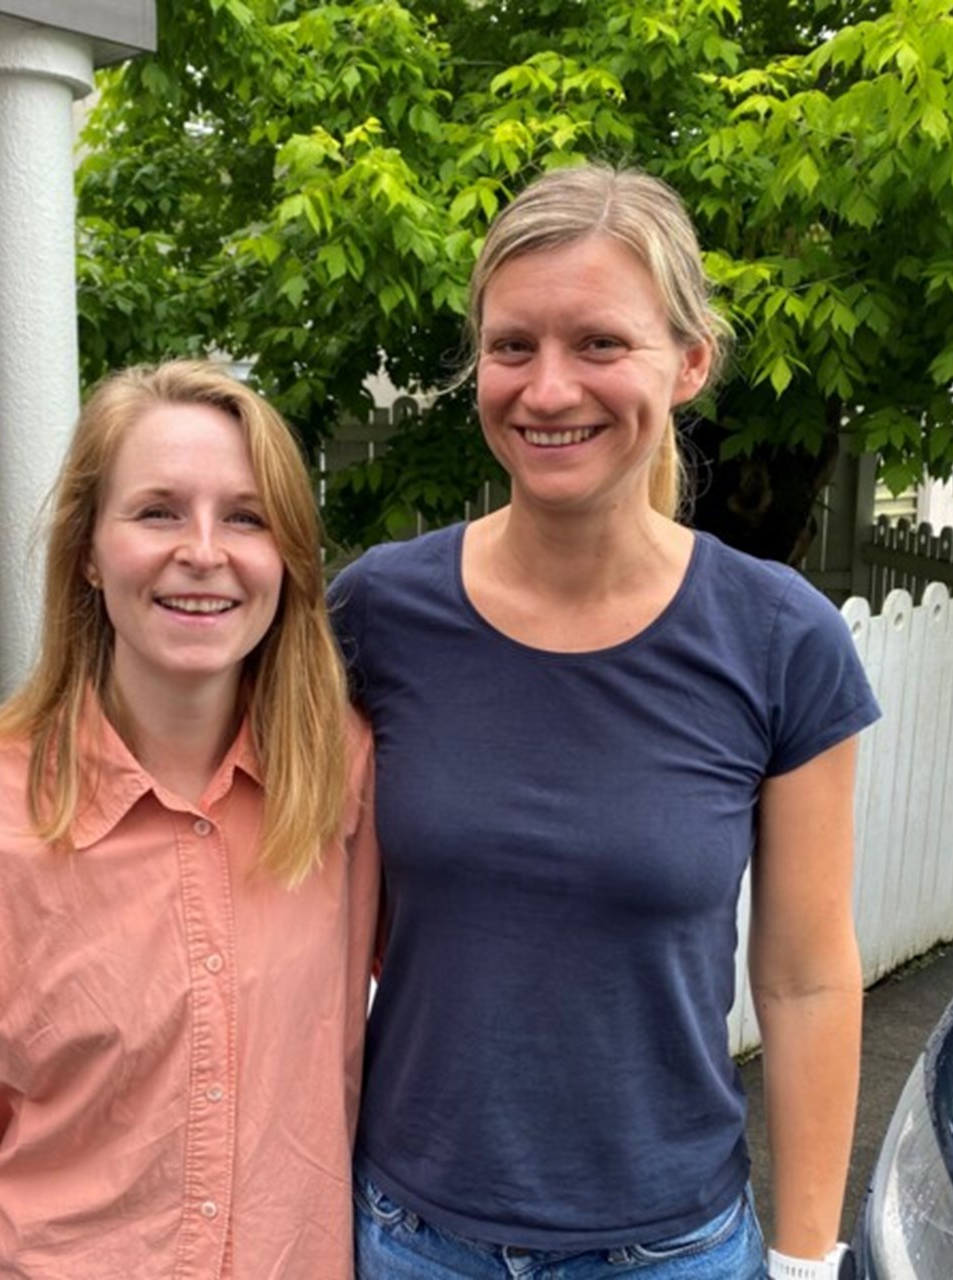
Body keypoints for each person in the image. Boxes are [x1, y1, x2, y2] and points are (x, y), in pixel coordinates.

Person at [330, 165, 879, 1280]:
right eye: (511, 345)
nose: (545, 389)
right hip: (407, 1238)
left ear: (686, 363)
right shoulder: (379, 612)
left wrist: (807, 1258)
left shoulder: (778, 638)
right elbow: (214, 799)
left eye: (597, 344)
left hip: (669, 1248)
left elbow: (806, 975)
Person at [0, 361, 379, 1279]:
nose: (203, 550)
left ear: (289, 558)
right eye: (156, 511)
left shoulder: (345, 781)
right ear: (87, 550)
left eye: (246, 515)